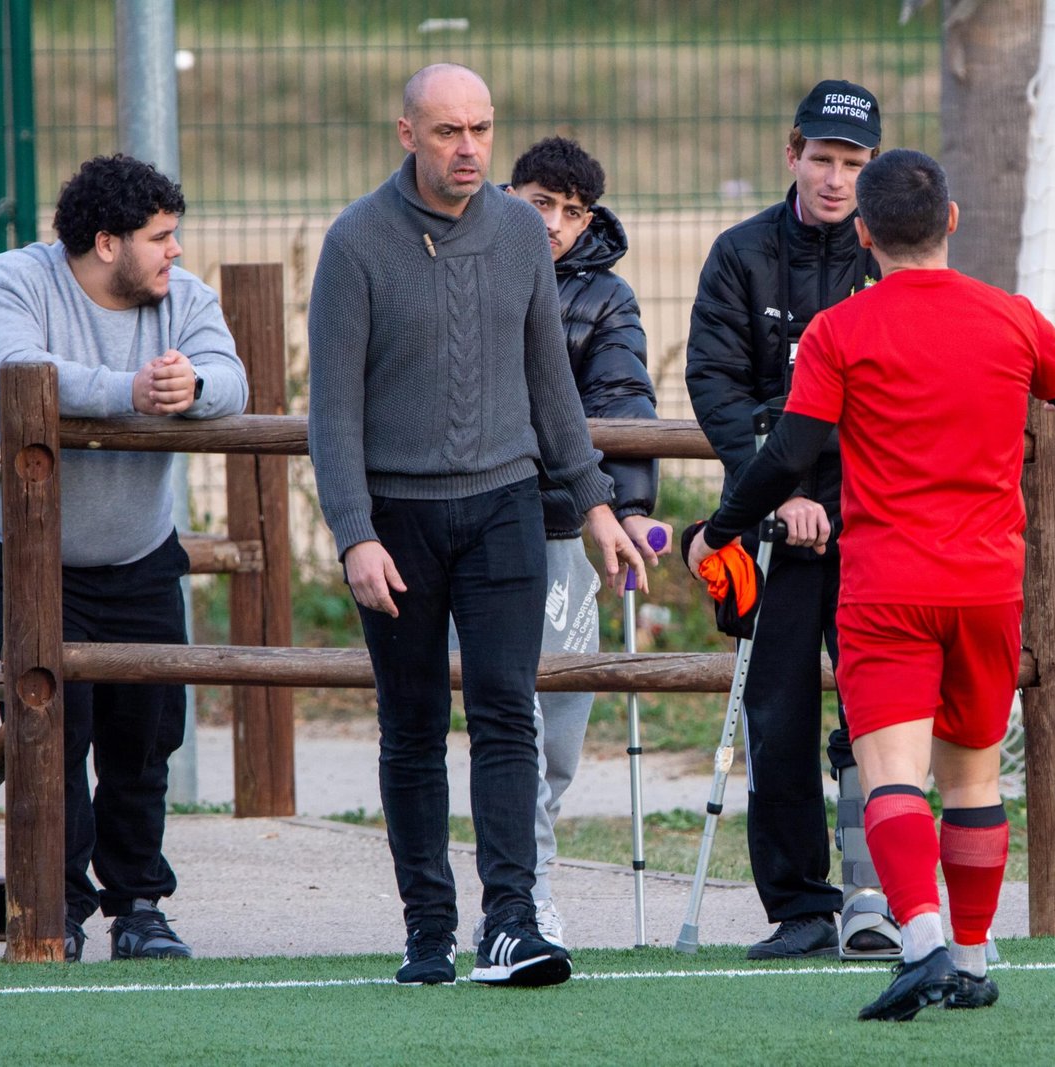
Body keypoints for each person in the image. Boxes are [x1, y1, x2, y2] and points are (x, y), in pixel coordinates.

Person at [684, 148, 1055, 1021]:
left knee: (892, 776)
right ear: (951, 220)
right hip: (987, 584)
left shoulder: (841, 330)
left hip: (886, 585)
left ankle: (920, 941)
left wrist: (718, 530)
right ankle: (973, 957)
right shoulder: (1014, 318)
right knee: (974, 780)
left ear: (865, 235)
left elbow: (788, 454)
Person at [306, 64, 645, 988]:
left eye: (482, 129)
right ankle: (428, 929)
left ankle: (510, 922)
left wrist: (597, 505)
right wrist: (354, 533)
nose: (469, 148)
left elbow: (551, 386)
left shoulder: (520, 234)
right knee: (413, 725)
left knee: (506, 714)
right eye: (448, 131)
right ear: (407, 133)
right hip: (397, 524)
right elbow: (332, 413)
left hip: (505, 508)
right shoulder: (356, 242)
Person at [0, 153, 249, 963]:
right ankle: (56, 907)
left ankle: (140, 905)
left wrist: (193, 387)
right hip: (23, 552)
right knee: (52, 729)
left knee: (146, 734)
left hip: (138, 553)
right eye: (161, 236)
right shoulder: (11, 282)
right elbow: (12, 372)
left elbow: (232, 378)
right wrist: (130, 394)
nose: (176, 250)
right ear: (107, 242)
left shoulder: (184, 298)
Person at [684, 78, 899, 960]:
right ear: (792, 154)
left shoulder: (891, 259)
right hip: (771, 527)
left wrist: (839, 502)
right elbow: (715, 384)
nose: (836, 178)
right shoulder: (739, 253)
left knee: (878, 714)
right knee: (776, 719)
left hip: (870, 527)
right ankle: (802, 906)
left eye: (853, 163)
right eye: (822, 159)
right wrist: (779, 495)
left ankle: (877, 897)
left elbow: (900, 401)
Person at [491, 136, 673, 947]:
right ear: (510, 196)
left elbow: (624, 397)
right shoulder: (470, 263)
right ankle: (518, 894)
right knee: (503, 720)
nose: (555, 225)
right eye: (541, 204)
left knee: (558, 727)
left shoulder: (606, 296)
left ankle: (526, 878)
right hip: (469, 524)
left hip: (564, 526)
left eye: (572, 212)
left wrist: (629, 509)